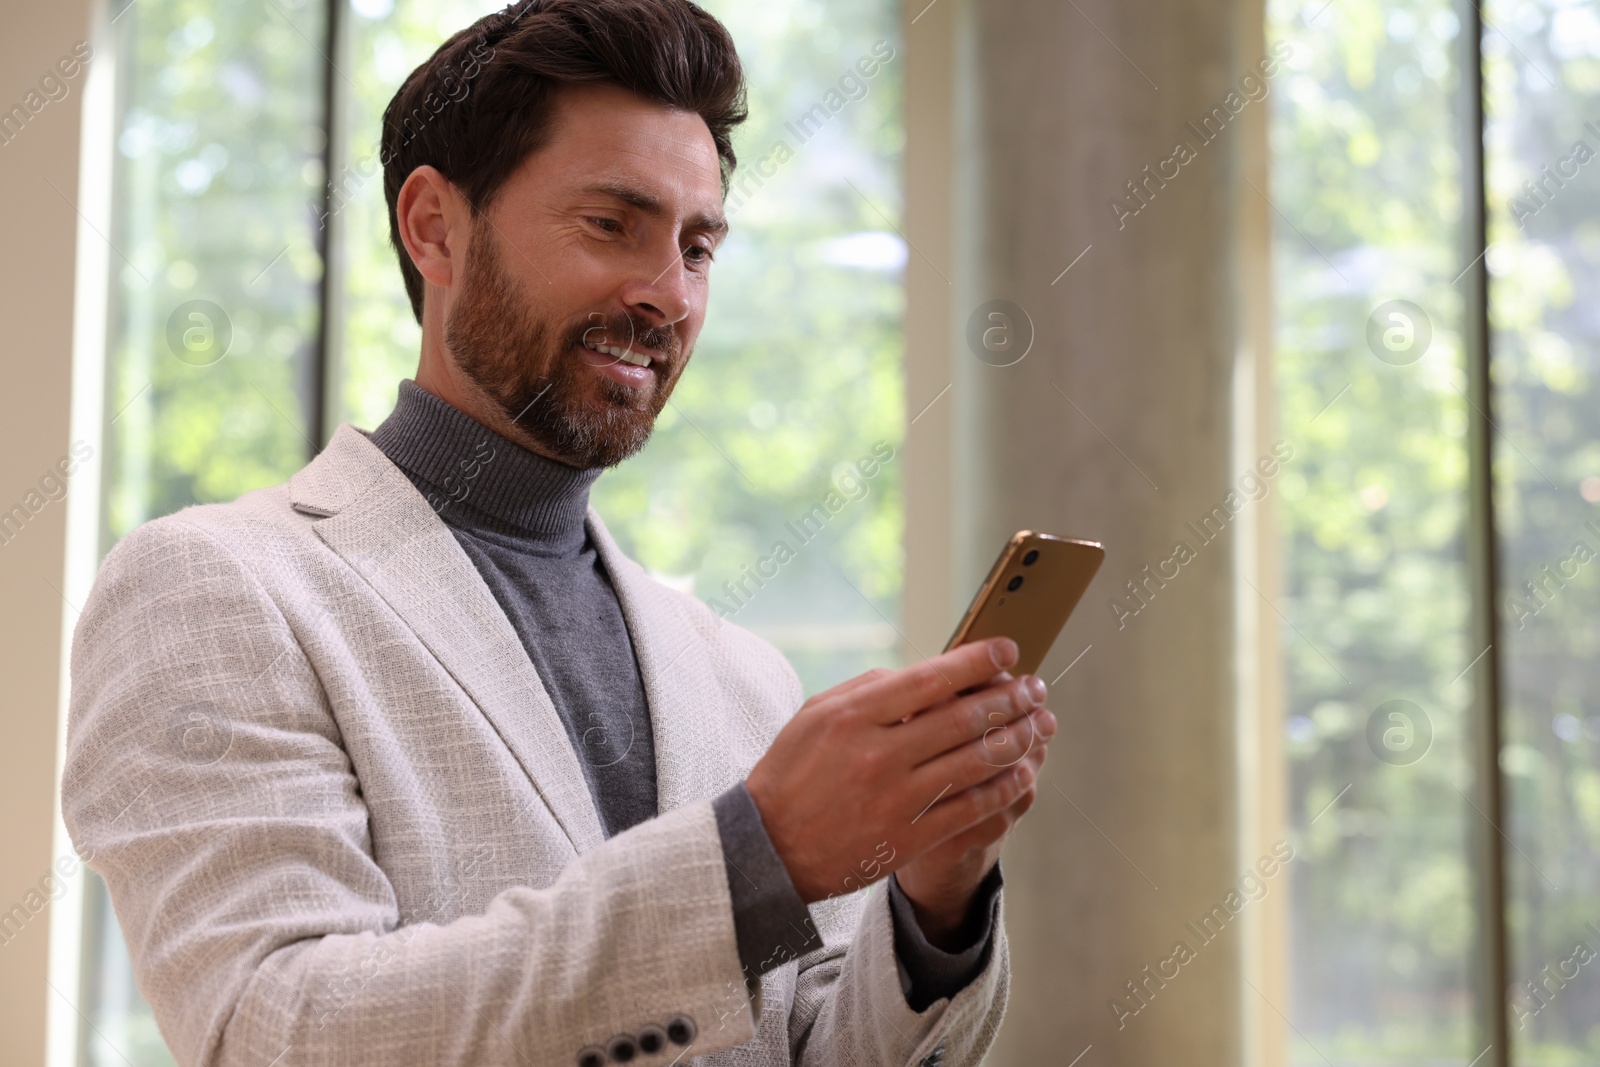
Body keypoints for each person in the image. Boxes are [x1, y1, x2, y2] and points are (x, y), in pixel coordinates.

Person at [60, 2, 1057, 1064]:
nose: (666, 293)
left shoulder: (744, 678)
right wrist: (753, 857)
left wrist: (934, 904)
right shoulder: (213, 589)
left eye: (698, 245)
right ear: (434, 226)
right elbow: (280, 1027)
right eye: (610, 223)